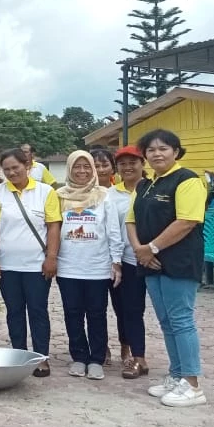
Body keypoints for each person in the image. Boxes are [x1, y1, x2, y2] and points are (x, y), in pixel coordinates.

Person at [127, 129, 208, 407]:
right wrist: (140, 250)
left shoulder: (188, 180)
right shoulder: (146, 185)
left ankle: (193, 384)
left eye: (164, 148)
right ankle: (176, 376)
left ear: (176, 151)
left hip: (178, 260)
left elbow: (186, 221)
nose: (157, 153)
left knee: (182, 320)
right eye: (151, 150)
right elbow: (131, 220)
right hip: (149, 261)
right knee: (166, 322)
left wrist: (152, 248)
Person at [0, 148, 61, 377]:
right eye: (6, 169)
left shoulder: (46, 192)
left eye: (15, 167)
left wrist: (51, 258)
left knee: (38, 310)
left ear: (27, 165)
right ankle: (19, 355)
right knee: (14, 312)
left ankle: (40, 358)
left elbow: (53, 226)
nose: (11, 172)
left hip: (37, 265)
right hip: (8, 266)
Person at [55, 150, 123, 381]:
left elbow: (113, 231)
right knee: (72, 313)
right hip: (67, 266)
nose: (82, 171)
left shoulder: (104, 196)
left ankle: (96, 359)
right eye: (77, 167)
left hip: (97, 266)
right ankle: (78, 356)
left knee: (97, 314)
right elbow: (52, 230)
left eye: (87, 167)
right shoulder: (59, 196)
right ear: (70, 169)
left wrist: (116, 261)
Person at [111, 145, 150, 379]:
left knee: (137, 310)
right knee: (125, 309)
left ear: (142, 164)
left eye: (132, 162)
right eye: (122, 163)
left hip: (154, 258)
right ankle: (129, 351)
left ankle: (139, 357)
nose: (128, 167)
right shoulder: (111, 194)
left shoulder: (152, 189)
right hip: (124, 260)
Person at [91, 148, 125, 368]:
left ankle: (127, 347)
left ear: (112, 167)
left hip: (121, 260)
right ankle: (101, 347)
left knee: (123, 307)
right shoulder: (83, 194)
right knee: (96, 308)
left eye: (104, 165)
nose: (100, 169)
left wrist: (118, 259)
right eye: (95, 165)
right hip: (93, 263)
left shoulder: (120, 193)